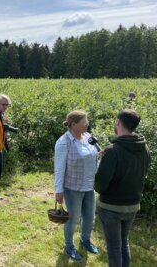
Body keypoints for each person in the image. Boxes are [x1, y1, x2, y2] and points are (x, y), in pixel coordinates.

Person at [95, 109, 150, 267]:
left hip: (112, 208)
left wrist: (101, 165)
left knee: (114, 248)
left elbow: (100, 185)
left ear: (118, 122)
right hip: (132, 206)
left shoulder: (113, 151)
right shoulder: (144, 148)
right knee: (123, 242)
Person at [54, 110, 99, 262]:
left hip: (89, 186)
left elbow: (92, 155)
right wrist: (58, 191)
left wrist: (100, 154)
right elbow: (59, 168)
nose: (87, 124)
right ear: (74, 124)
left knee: (89, 217)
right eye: (84, 122)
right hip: (73, 188)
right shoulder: (63, 142)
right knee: (73, 219)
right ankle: (69, 246)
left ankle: (85, 240)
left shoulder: (87, 137)